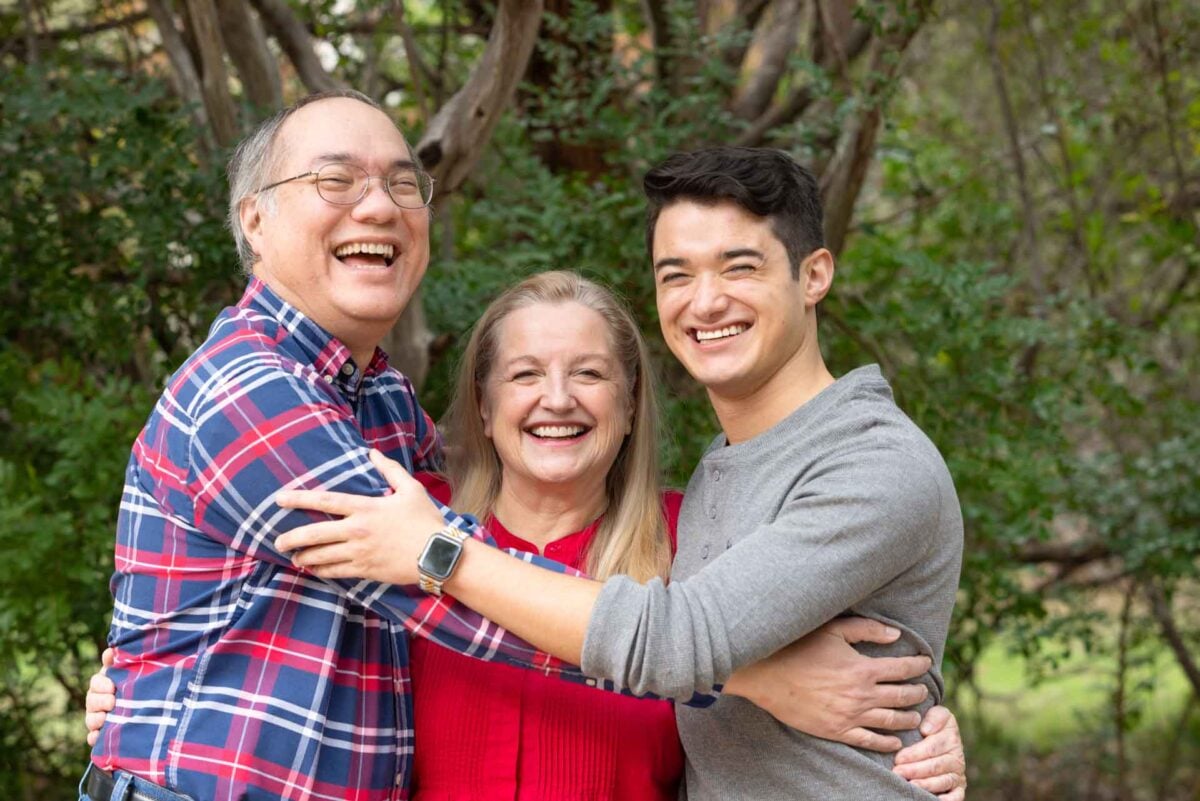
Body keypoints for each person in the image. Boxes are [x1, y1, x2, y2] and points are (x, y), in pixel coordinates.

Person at [82, 91, 960, 801]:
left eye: (402, 182)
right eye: (335, 180)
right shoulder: (250, 388)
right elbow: (447, 582)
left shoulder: (385, 402)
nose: (379, 205)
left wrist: (920, 726)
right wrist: (753, 679)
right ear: (256, 222)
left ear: (629, 403)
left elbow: (453, 555)